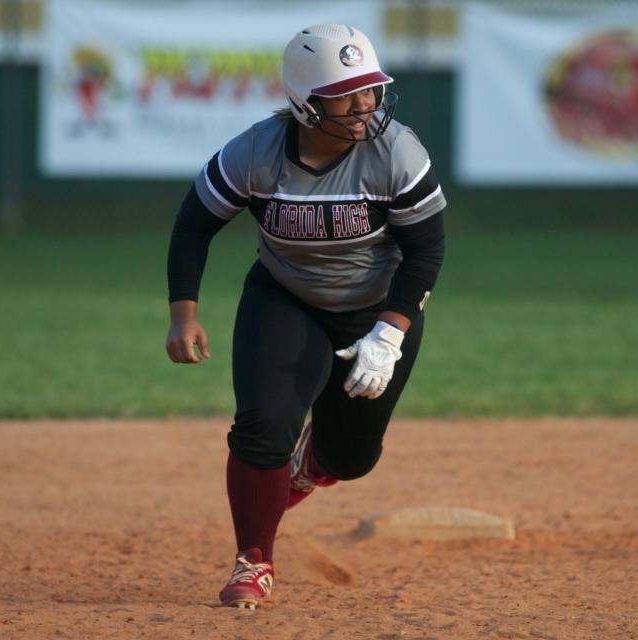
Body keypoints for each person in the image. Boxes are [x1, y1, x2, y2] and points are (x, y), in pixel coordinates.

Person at [165, 23, 446, 609]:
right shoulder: (255, 153)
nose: (364, 105)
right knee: (262, 427)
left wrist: (389, 334)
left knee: (352, 458)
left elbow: (426, 252)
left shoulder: (397, 152)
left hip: (377, 310)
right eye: (346, 94)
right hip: (285, 299)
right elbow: (195, 225)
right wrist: (182, 315)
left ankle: (312, 462)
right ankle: (254, 563)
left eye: (370, 89)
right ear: (303, 103)